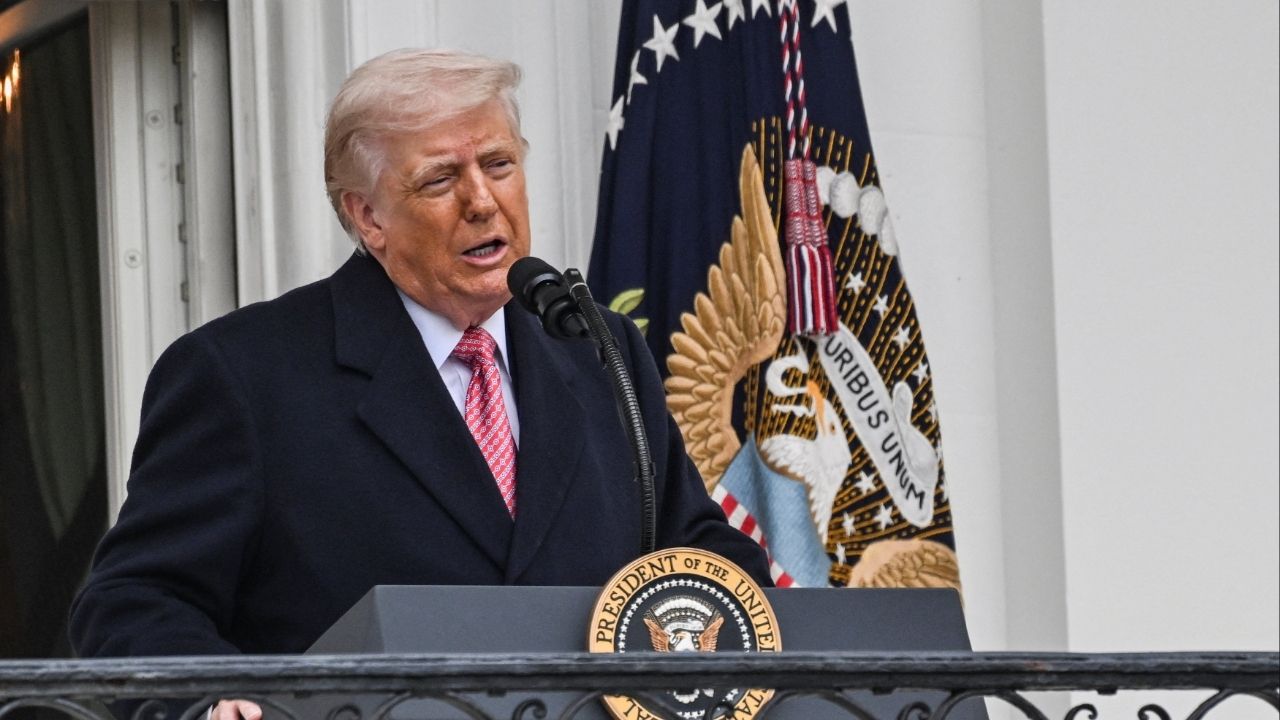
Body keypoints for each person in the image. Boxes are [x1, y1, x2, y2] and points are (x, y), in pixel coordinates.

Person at [69, 49, 772, 719]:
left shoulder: (597, 348)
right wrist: (204, 701)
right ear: (367, 216)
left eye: (499, 164)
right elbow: (135, 599)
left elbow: (698, 554)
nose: (482, 200)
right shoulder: (243, 375)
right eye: (440, 179)